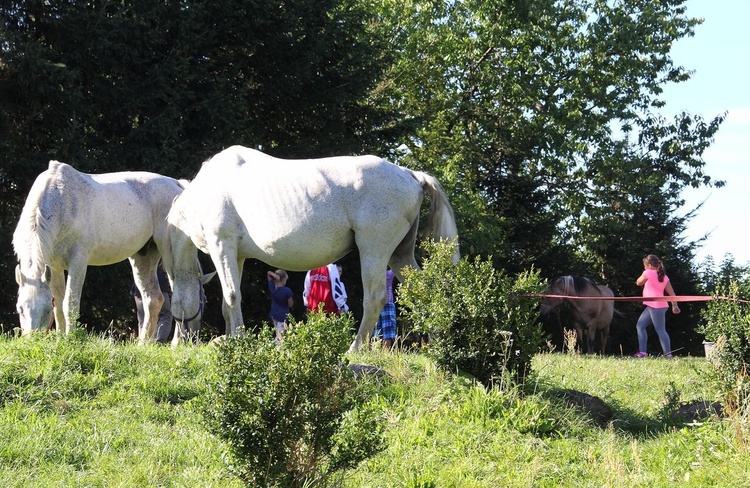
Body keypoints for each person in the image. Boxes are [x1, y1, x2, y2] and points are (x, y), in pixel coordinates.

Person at [633, 254, 680, 358]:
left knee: (660, 330)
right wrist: (674, 305)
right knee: (640, 326)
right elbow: (672, 293)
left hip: (655, 306)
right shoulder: (664, 276)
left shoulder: (647, 272)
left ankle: (668, 354)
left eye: (644, 266)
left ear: (649, 265)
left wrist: (643, 275)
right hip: (656, 305)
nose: (644, 268)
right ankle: (642, 352)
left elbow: (638, 282)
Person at [131, 261, 173, 343]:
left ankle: (144, 341)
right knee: (165, 314)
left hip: (139, 287)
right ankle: (159, 341)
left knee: (142, 316)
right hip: (160, 285)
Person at [267, 269, 294, 342]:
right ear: (284, 279)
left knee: (277, 333)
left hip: (274, 315)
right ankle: (277, 350)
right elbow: (290, 304)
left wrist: (275, 276)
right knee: (281, 337)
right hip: (283, 316)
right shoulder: (287, 290)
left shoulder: (273, 288)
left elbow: (269, 273)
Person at [373, 268, 397, 350]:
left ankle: (374, 353)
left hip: (376, 304)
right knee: (388, 331)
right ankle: (385, 354)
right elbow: (399, 266)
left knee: (376, 332)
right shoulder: (388, 274)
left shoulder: (374, 275)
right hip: (388, 303)